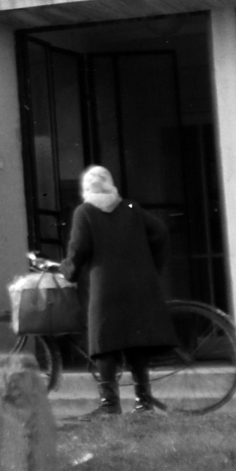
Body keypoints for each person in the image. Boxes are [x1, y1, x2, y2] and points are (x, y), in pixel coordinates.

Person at [62, 165, 175, 416]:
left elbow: (78, 248)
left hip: (105, 287)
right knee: (135, 341)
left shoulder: (85, 212)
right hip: (138, 285)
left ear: (86, 188)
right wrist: (152, 265)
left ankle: (109, 404)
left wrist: (68, 270)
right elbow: (161, 232)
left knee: (105, 342)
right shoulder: (131, 208)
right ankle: (143, 401)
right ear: (111, 184)